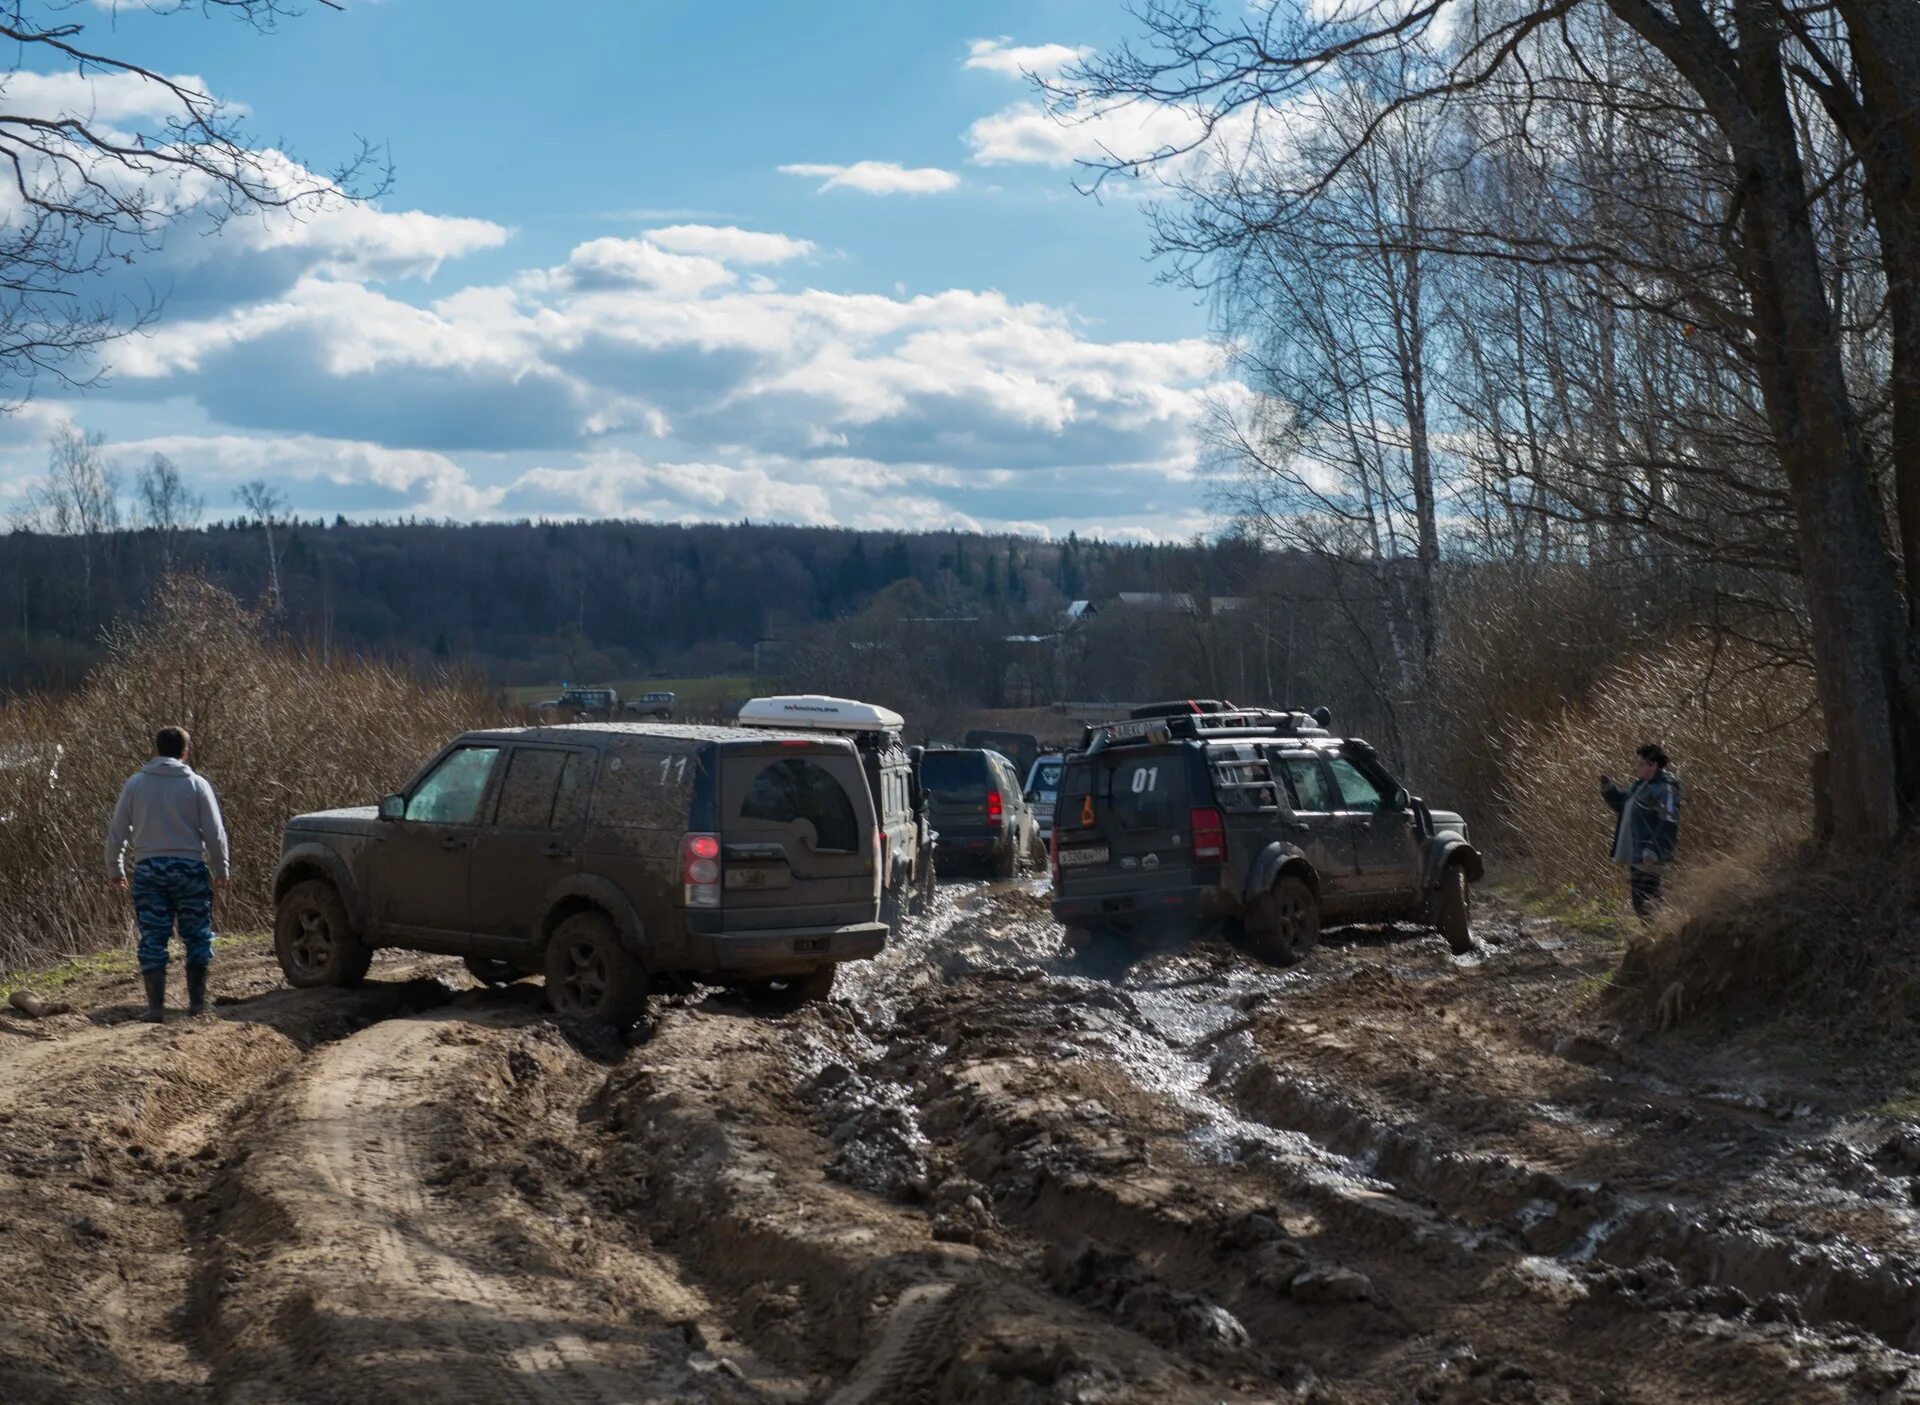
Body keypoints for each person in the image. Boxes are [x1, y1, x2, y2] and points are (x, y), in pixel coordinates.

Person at [105, 727, 231, 1023]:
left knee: (153, 937)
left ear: (155, 749)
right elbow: (215, 832)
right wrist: (221, 868)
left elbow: (117, 831)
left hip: (149, 870)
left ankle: (156, 1008)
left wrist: (115, 867)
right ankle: (198, 1004)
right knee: (197, 935)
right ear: (185, 753)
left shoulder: (135, 784)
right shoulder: (197, 784)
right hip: (189, 868)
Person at [1601, 743, 1680, 919]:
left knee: (1648, 899)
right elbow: (1623, 805)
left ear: (1654, 765)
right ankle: (1654, 936)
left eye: (1641, 764)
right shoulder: (1640, 785)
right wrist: (1608, 789)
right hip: (1638, 852)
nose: (1637, 767)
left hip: (1651, 852)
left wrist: (1653, 849)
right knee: (1640, 900)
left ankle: (1660, 936)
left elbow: (1668, 821)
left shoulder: (1665, 788)